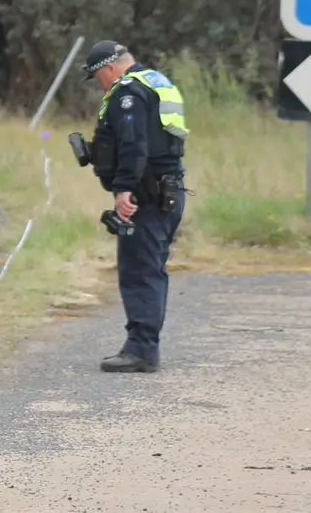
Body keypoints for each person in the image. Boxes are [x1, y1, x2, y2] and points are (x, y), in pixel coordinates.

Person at [80, 40, 188, 374]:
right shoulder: (156, 82)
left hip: (145, 194)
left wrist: (124, 188)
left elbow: (133, 143)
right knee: (151, 268)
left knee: (139, 270)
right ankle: (143, 345)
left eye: (98, 76)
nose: (100, 83)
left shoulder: (128, 92)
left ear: (109, 68)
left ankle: (141, 350)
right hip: (167, 189)